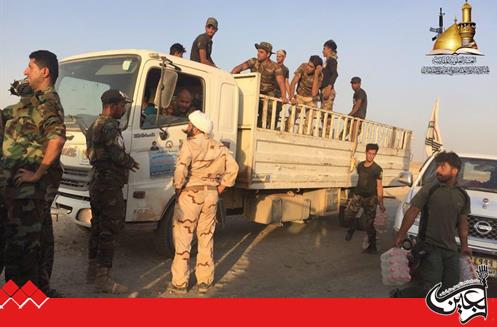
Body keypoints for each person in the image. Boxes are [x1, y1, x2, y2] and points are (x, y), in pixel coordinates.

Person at [2, 51, 66, 290]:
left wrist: (37, 173)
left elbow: (57, 138)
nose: (25, 72)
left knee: (21, 258)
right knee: (33, 249)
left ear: (44, 72)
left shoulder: (48, 101)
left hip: (27, 195)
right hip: (19, 194)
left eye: (30, 67)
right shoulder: (33, 103)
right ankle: (39, 294)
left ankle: (23, 307)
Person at [168, 111, 239, 295]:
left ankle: (180, 284)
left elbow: (180, 170)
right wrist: (221, 187)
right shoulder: (219, 147)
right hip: (211, 195)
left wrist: (178, 189)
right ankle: (204, 282)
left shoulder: (189, 145)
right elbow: (233, 168)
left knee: (183, 240)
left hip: (191, 194)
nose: (187, 127)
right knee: (206, 238)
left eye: (190, 124)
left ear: (196, 128)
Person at [392, 151, 471, 298]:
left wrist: (465, 245)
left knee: (451, 287)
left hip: (450, 249)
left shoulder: (463, 195)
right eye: (437, 166)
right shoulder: (430, 189)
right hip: (429, 245)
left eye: (442, 166)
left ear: (454, 170)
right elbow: (412, 211)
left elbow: (463, 222)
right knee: (431, 287)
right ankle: (400, 296)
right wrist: (401, 235)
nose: (437, 170)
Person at [85, 89, 140, 294]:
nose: (124, 109)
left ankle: (92, 271)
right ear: (113, 105)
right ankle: (103, 279)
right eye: (122, 105)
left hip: (97, 181)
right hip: (109, 184)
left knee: (98, 226)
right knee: (110, 228)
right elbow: (117, 154)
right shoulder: (109, 126)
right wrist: (130, 162)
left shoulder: (93, 125)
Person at [344, 143, 385, 254]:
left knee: (369, 224)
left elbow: (379, 186)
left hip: (371, 198)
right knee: (349, 215)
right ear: (366, 152)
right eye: (369, 153)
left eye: (373, 154)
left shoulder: (378, 169)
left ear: (375, 155)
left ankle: (372, 246)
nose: (371, 156)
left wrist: (381, 202)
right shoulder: (360, 166)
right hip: (358, 195)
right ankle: (351, 229)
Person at [320, 40, 339, 111]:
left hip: (327, 89)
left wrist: (328, 89)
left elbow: (335, 74)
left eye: (324, 49)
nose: (323, 51)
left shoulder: (332, 60)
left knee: (326, 115)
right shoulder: (327, 61)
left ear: (329, 49)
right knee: (323, 114)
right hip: (323, 90)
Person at [347, 76, 367, 141]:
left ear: (359, 84)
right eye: (352, 83)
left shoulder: (361, 92)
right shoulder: (355, 93)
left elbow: (357, 106)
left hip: (358, 117)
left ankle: (353, 149)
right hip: (354, 116)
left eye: (355, 83)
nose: (353, 85)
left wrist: (349, 115)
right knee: (347, 131)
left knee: (354, 135)